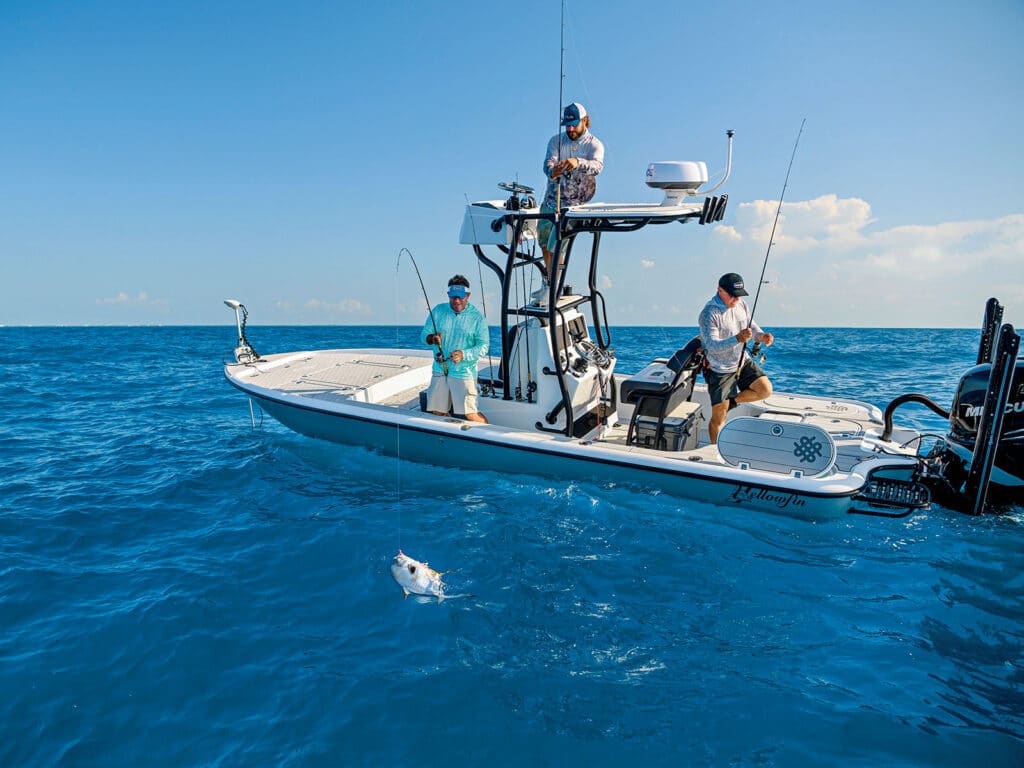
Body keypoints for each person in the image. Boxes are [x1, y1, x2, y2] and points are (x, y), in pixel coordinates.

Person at [533, 102, 605, 305]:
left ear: (584, 121)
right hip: (551, 200)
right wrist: (553, 169)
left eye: (574, 125)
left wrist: (577, 162)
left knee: (556, 246)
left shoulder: (594, 144)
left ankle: (554, 287)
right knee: (544, 244)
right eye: (567, 125)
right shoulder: (556, 140)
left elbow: (597, 166)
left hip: (573, 205)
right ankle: (548, 283)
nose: (570, 129)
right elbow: (548, 163)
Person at [698, 272, 775, 444]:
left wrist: (762, 336)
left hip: (741, 361)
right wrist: (737, 339)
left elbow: (752, 328)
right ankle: (715, 451)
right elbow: (712, 347)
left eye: (739, 295)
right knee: (719, 417)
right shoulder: (709, 313)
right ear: (720, 291)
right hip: (719, 368)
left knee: (765, 390)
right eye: (732, 295)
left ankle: (731, 401)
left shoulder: (742, 305)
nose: (736, 299)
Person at [421, 275, 489, 423]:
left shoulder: (477, 318)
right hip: (440, 369)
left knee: (470, 414)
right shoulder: (439, 311)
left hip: (464, 372)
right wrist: (432, 338)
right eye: (453, 297)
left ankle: (490, 438)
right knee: (437, 412)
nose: (456, 301)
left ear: (468, 295)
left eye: (460, 296)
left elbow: (484, 346)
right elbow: (424, 335)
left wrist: (463, 354)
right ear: (448, 295)